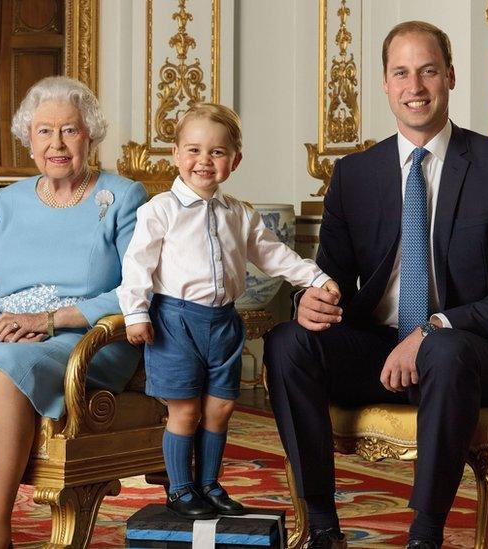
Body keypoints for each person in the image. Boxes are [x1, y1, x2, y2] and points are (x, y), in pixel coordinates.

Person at [263, 21, 488, 549]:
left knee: (446, 350)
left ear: (450, 78)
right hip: (379, 350)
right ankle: (322, 525)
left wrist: (434, 328)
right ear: (386, 85)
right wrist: (310, 303)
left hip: (471, 354)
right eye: (401, 73)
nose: (414, 86)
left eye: (428, 71)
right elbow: (333, 278)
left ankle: (424, 535)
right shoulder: (354, 174)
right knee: (287, 341)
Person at [0, 75, 147, 548]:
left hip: (84, 340)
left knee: (6, 370)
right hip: (6, 336)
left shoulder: (122, 196)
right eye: (44, 131)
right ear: (29, 141)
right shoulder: (8, 201)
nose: (57, 144)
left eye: (69, 130)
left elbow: (135, 290)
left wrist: (50, 321)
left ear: (90, 134)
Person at [118, 103, 340, 519]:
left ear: (234, 161)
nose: (204, 161)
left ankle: (209, 483)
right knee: (184, 409)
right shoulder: (159, 210)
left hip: (223, 323)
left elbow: (273, 254)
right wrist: (136, 313)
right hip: (175, 322)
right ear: (176, 155)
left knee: (219, 407)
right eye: (194, 150)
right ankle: (180, 489)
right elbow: (137, 264)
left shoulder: (238, 213)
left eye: (217, 153)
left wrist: (313, 277)